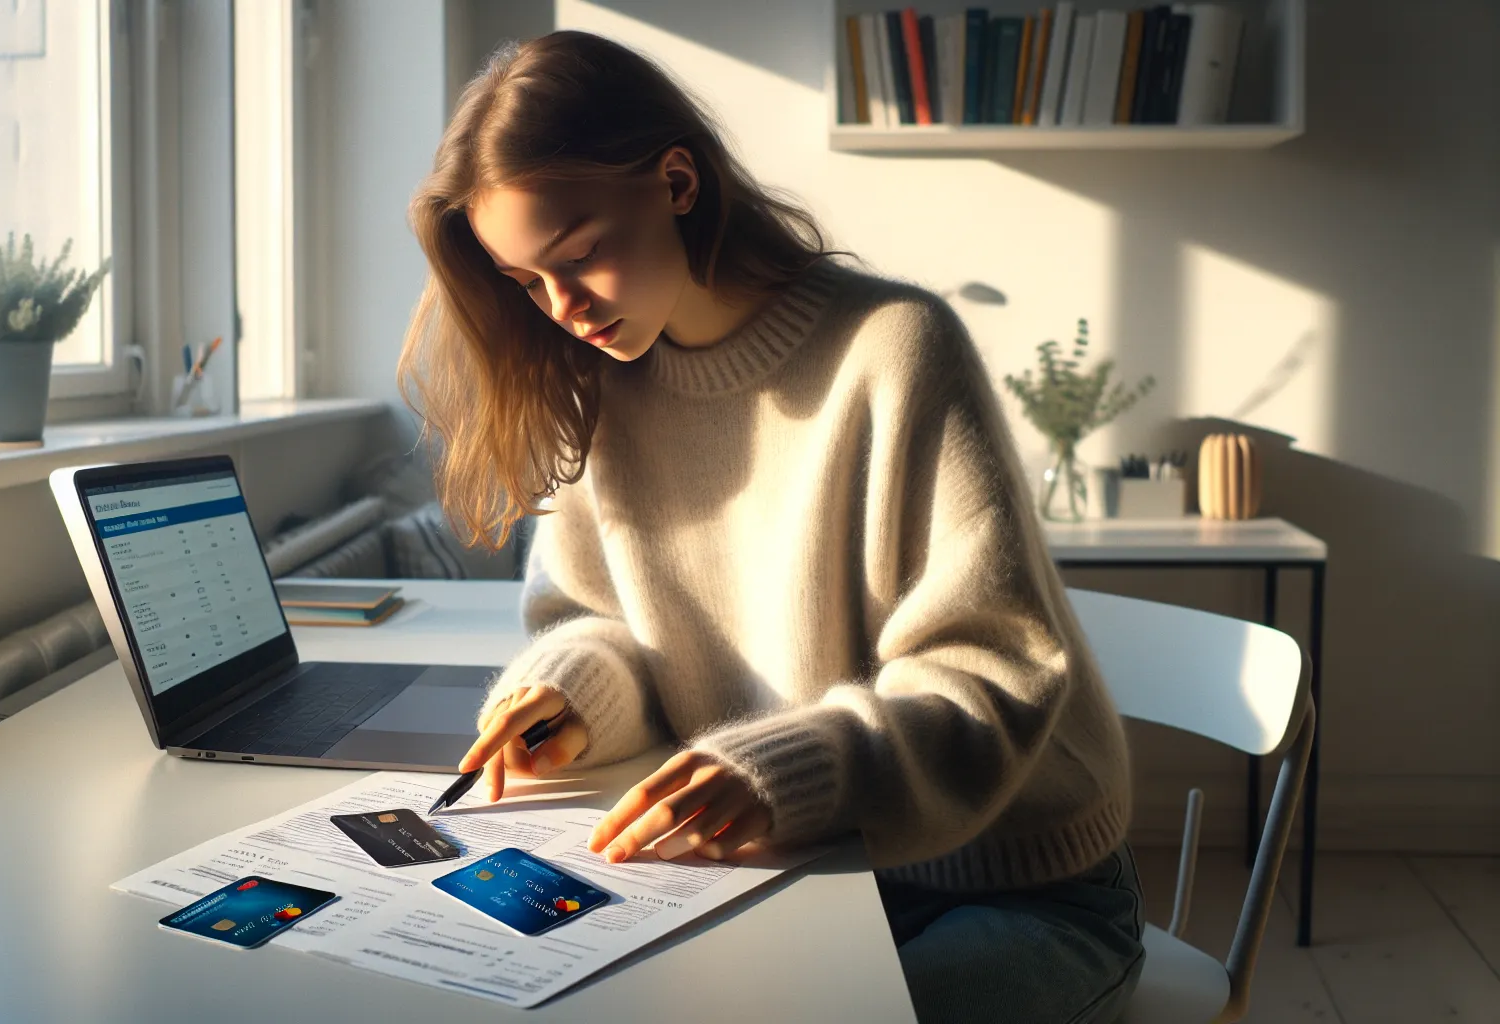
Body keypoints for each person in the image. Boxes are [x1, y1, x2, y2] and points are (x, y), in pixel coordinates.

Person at [398, 30, 1144, 1024]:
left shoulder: (894, 347)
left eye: (578, 255)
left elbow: (990, 665)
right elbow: (597, 615)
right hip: (796, 873)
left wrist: (801, 765)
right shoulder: (612, 386)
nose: (563, 308)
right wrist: (571, 689)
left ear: (673, 180)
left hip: (1011, 886)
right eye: (529, 282)